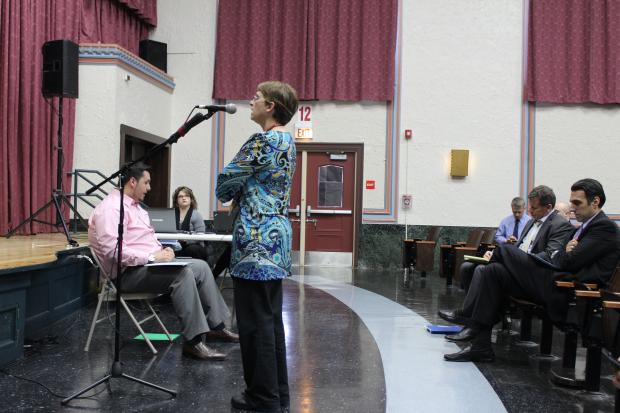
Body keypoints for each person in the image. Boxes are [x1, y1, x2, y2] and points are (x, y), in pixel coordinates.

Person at [442, 179, 620, 362]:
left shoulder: (603, 227)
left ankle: (468, 315)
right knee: (492, 271)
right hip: (553, 280)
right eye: (572, 202)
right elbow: (564, 257)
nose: (573, 208)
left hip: (565, 289)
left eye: (577, 203)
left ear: (595, 201)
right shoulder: (584, 227)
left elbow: (567, 261)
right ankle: (481, 347)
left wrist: (565, 252)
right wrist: (565, 251)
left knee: (504, 250)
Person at [89, 162, 238, 361]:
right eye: (147, 182)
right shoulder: (111, 209)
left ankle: (216, 327)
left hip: (147, 265)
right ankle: (193, 342)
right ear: (133, 182)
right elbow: (111, 251)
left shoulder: (136, 207)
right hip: (126, 274)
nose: (149, 188)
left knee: (201, 266)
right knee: (182, 274)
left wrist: (161, 249)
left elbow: (144, 240)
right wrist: (152, 256)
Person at [216, 81, 298, 413]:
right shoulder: (288, 142)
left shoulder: (262, 141)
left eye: (257, 98)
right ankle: (276, 395)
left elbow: (224, 185)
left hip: (254, 242)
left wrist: (240, 185)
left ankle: (261, 399)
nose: (251, 100)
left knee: (253, 324)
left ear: (271, 107)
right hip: (276, 240)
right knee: (270, 320)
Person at [458, 186, 572, 291]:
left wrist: (517, 257)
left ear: (548, 207)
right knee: (467, 267)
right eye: (529, 207)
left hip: (532, 271)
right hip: (516, 265)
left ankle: (495, 257)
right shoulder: (531, 222)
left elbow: (549, 255)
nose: (530, 211)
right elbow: (519, 246)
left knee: (495, 259)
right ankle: (470, 311)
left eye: (534, 208)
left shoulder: (559, 224)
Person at [172, 186, 209, 261]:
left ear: (191, 199)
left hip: (193, 246)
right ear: (176, 200)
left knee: (193, 249)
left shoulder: (196, 215)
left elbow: (201, 235)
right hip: (174, 245)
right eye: (180, 196)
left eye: (186, 196)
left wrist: (186, 240)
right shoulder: (170, 215)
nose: (184, 198)